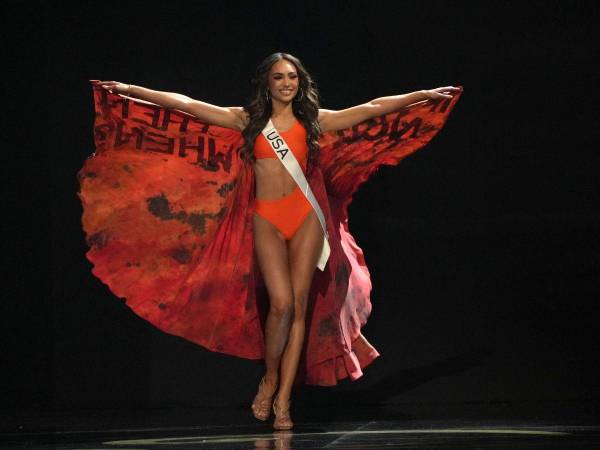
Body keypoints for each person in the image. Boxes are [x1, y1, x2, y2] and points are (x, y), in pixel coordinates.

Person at [89, 52, 461, 430]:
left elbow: (373, 108)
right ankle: (269, 377)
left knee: (299, 307)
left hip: (306, 219)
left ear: (300, 83)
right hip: (267, 219)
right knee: (280, 306)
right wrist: (130, 91)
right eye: (279, 77)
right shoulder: (247, 121)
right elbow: (187, 106)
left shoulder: (313, 121)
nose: (287, 84)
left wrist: (423, 94)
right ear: (266, 83)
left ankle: (283, 399)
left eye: (293, 78)